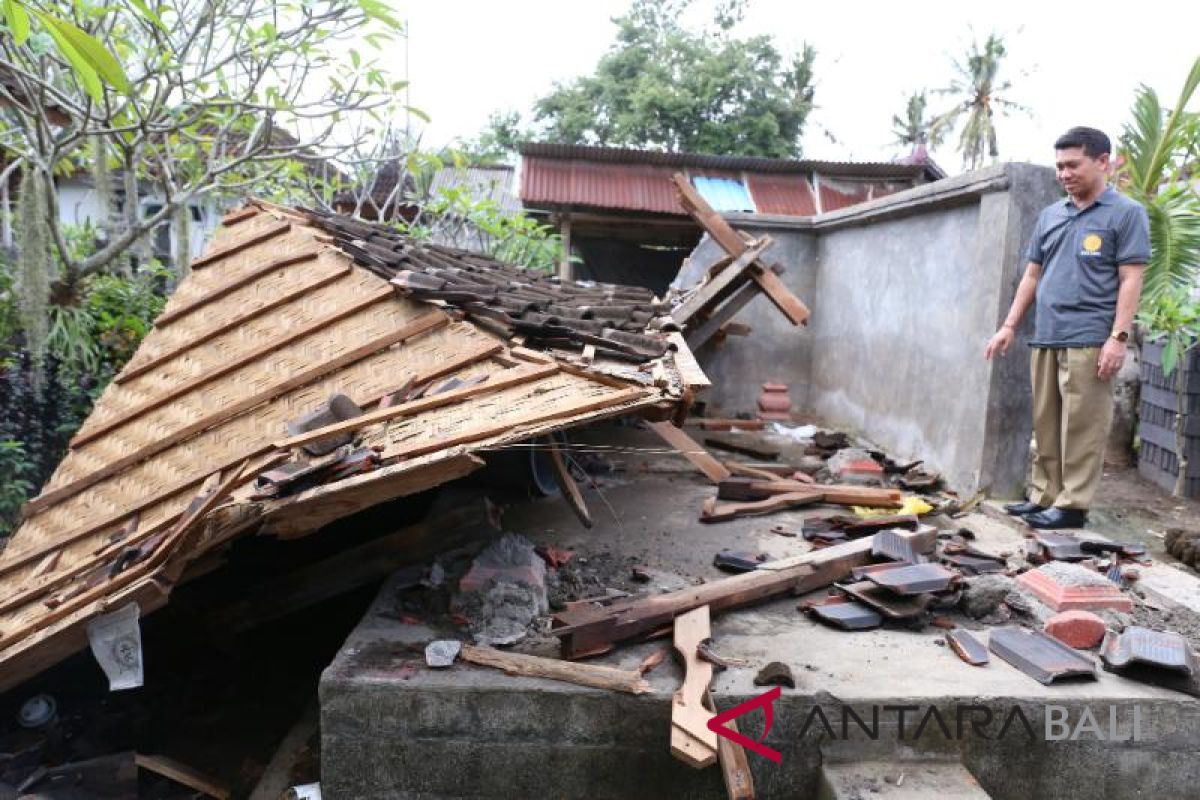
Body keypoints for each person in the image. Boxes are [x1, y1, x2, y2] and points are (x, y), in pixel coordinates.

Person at [984, 126, 1150, 530]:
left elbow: (1131, 278)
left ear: (1102, 161)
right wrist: (1009, 325)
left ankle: (1072, 505)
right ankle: (1044, 496)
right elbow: (1032, 276)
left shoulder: (1125, 214)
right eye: (1059, 166)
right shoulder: (1051, 215)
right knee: (1047, 424)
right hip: (1047, 333)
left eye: (1073, 164)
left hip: (1091, 338)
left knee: (1082, 426)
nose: (1064, 173)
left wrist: (1118, 338)